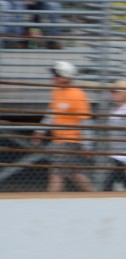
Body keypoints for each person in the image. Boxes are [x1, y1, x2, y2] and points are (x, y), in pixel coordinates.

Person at [33, 60, 94, 192]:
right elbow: (50, 114)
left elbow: (85, 122)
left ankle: (51, 203)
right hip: (59, 141)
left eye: (57, 75)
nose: (53, 78)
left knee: (56, 174)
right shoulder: (56, 91)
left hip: (70, 141)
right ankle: (94, 195)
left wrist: (88, 146)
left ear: (66, 77)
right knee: (74, 174)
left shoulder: (78, 95)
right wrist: (40, 132)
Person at [102, 79, 126, 192]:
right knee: (124, 181)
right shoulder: (114, 109)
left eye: (116, 91)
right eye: (112, 91)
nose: (112, 94)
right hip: (115, 151)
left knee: (108, 183)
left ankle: (103, 200)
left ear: (125, 93)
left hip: (125, 152)